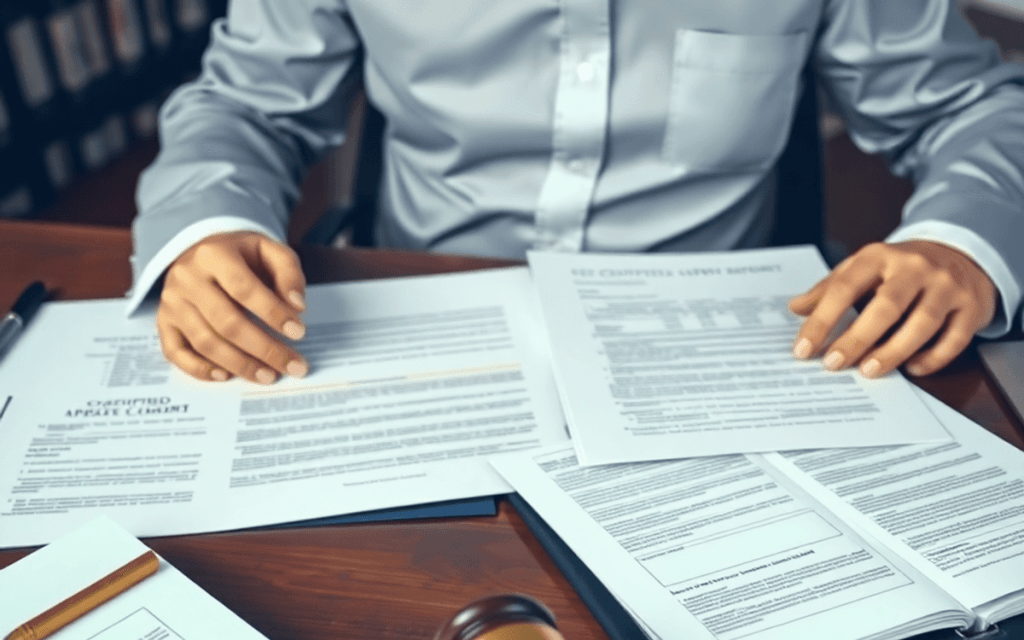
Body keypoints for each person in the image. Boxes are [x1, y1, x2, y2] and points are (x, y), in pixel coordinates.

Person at [129, 0, 1024, 387]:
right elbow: (246, 102)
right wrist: (208, 226)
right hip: (418, 333)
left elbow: (971, 107)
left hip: (727, 356)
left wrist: (957, 244)